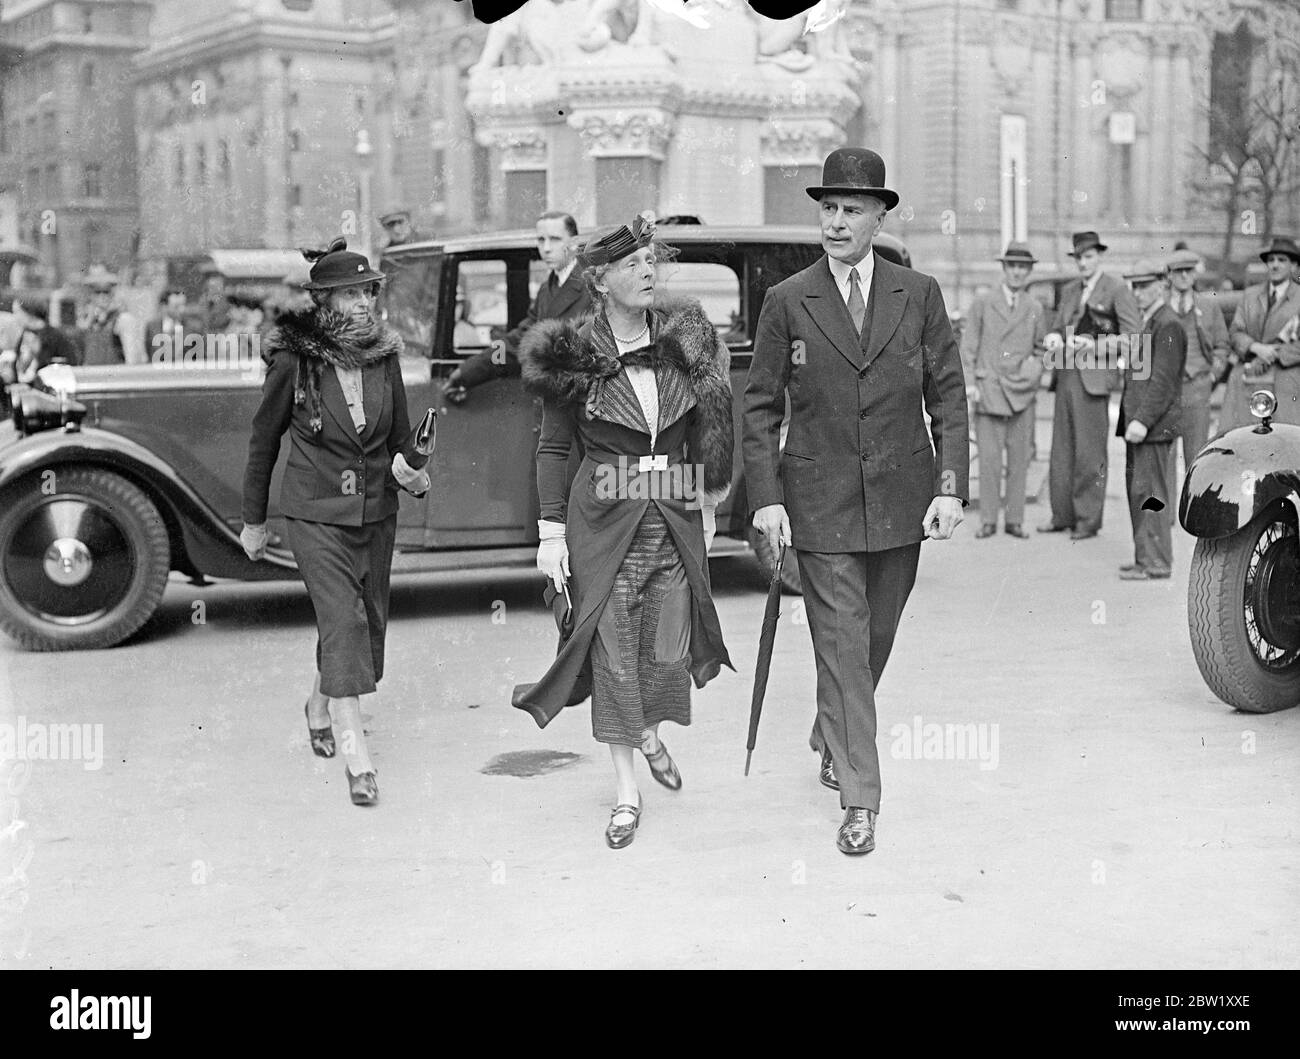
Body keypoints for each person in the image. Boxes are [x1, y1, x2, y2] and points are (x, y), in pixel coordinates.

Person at [743, 147, 969, 856]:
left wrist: (951, 486)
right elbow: (758, 408)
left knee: (874, 642)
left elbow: (949, 395)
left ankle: (828, 727)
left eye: (850, 210)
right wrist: (767, 499)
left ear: (879, 216)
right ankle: (861, 798)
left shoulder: (919, 294)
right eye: (827, 209)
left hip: (902, 499)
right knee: (842, 647)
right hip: (820, 505)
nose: (835, 222)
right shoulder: (788, 300)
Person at [511, 215, 735, 850]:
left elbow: (705, 431)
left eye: (651, 262)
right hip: (601, 520)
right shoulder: (570, 352)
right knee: (610, 648)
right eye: (633, 264)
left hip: (670, 513)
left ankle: (646, 730)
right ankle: (627, 794)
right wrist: (551, 532)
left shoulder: (686, 340)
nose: (647, 273)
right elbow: (554, 449)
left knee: (664, 647)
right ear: (601, 279)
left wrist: (708, 498)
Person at [240, 238, 430, 807]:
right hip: (315, 515)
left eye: (368, 291)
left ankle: (318, 705)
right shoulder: (294, 360)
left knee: (364, 624)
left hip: (376, 513)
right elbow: (262, 440)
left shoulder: (384, 356)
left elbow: (399, 439)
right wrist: (254, 521)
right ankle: (358, 761)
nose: (364, 303)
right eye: (350, 294)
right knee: (343, 624)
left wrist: (416, 472)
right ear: (324, 302)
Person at [1038, 230, 1141, 540]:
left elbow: (1134, 339)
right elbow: (1057, 327)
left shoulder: (1117, 289)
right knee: (1062, 451)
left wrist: (1094, 346)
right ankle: (1062, 516)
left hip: (1094, 379)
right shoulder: (1070, 290)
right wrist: (1054, 336)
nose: (1083, 263)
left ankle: (1087, 520)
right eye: (1079, 257)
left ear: (1099, 256)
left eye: (1089, 256)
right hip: (1066, 374)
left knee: (1090, 453)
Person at [443, 211, 593, 403]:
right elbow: (518, 341)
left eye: (555, 239)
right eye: (541, 240)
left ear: (574, 243)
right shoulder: (547, 289)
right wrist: (470, 370)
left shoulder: (591, 286)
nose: (546, 248)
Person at [960, 242, 1046, 539]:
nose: (1018, 272)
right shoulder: (983, 302)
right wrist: (972, 386)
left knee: (1020, 460)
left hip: (1022, 394)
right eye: (1012, 266)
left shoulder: (1034, 308)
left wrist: (1031, 374)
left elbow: (1041, 349)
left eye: (1023, 267)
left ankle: (1015, 520)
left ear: (1029, 271)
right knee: (989, 461)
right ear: (1004, 269)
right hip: (990, 391)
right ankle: (988, 520)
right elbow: (968, 348)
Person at [1117, 260, 1185, 581]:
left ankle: (1156, 561)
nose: (1138, 292)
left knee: (1151, 493)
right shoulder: (1154, 321)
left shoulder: (1167, 323)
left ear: (1161, 285)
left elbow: (1163, 381)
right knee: (1141, 491)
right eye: (1135, 287)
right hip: (1144, 427)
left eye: (1145, 286)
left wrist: (1142, 420)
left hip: (1152, 428)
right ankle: (1145, 558)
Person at [1220, 236, 1300, 433]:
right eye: (1271, 260)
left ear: (1294, 266)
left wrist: (1274, 353)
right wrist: (1256, 347)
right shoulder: (1250, 295)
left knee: (1285, 437)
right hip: (1248, 372)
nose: (1275, 265)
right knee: (1239, 435)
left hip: (1285, 374)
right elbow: (1235, 332)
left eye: (1282, 260)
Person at [1162, 247, 1229, 481]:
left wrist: (1212, 375)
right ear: (1169, 274)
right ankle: (1164, 517)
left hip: (1197, 389)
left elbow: (1222, 345)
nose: (1183, 276)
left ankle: (1193, 516)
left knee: (1197, 460)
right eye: (1178, 271)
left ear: (1195, 274)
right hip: (1165, 391)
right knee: (1163, 460)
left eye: (1188, 271)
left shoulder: (1208, 307)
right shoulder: (1159, 307)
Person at [77, 266, 145, 366]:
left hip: (114, 378)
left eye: (106, 292)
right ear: (91, 294)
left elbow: (132, 359)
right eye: (97, 292)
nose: (102, 296)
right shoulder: (89, 320)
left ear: (112, 293)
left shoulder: (123, 319)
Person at [144, 289, 191, 360]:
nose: (182, 310)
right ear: (164, 306)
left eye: (183, 305)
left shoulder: (192, 327)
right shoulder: (152, 327)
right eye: (176, 306)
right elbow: (151, 352)